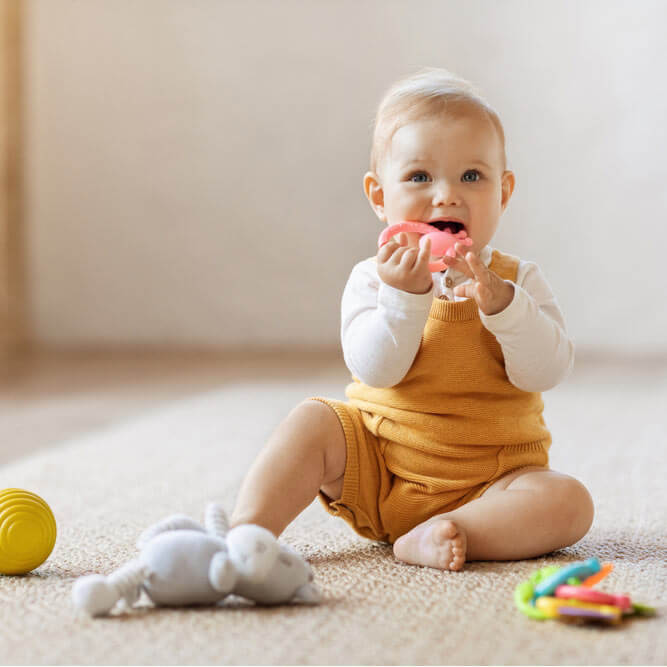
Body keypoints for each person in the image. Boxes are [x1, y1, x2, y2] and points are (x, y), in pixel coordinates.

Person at [230, 68, 594, 571]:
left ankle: (447, 533)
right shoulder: (373, 279)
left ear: (503, 193)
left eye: (472, 176)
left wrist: (503, 306)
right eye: (420, 177)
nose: (446, 194)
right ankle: (245, 536)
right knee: (313, 420)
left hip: (492, 482)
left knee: (569, 502)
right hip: (381, 466)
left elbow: (547, 371)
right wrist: (405, 297)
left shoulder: (517, 281)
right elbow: (377, 370)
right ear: (380, 197)